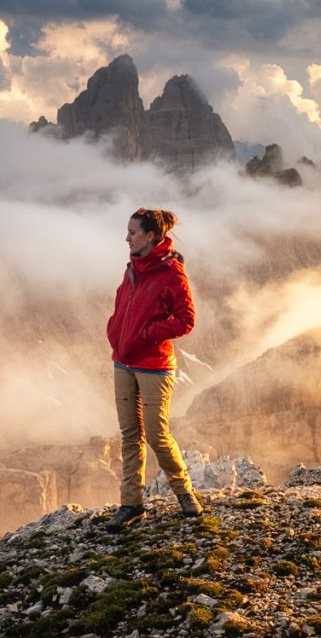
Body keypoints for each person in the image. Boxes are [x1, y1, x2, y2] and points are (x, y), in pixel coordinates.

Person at [105, 207, 202, 533]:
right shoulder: (133, 267)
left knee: (157, 435)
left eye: (132, 232)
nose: (127, 237)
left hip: (154, 366)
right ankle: (130, 505)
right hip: (123, 361)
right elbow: (124, 305)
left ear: (150, 236)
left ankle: (185, 494)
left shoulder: (172, 273)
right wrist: (115, 330)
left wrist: (147, 334)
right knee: (130, 435)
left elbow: (186, 320)